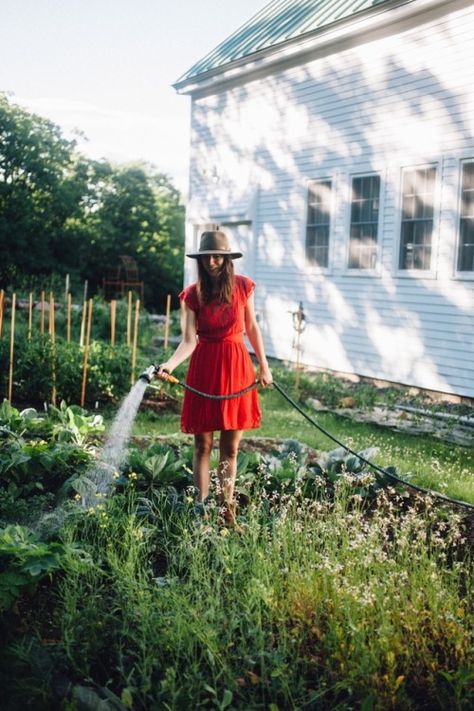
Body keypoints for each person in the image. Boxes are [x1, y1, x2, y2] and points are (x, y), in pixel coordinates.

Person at [156, 229, 272, 524]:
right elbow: (188, 340)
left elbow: (252, 329)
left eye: (218, 256)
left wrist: (264, 366)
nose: (212, 261)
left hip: (237, 367)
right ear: (201, 259)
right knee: (202, 445)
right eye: (207, 256)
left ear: (227, 258)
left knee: (230, 448)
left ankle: (226, 511)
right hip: (204, 369)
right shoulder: (192, 295)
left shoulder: (244, 287)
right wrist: (170, 364)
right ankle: (202, 509)